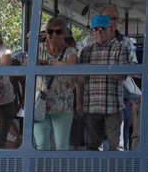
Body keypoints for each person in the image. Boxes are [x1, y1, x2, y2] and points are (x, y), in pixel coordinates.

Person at [76, 14, 130, 151]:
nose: (99, 32)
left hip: (113, 105)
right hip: (91, 106)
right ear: (92, 32)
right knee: (93, 147)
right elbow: (80, 80)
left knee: (116, 147)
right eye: (95, 29)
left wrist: (103, 69)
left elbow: (123, 75)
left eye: (102, 28)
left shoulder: (120, 48)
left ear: (110, 29)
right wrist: (79, 101)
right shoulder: (86, 51)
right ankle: (95, 167)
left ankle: (115, 166)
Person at [33, 16, 78, 151]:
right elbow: (26, 65)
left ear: (63, 34)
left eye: (58, 32)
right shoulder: (38, 49)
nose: (54, 35)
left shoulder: (70, 51)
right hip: (40, 104)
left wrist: (47, 63)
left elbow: (70, 65)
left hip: (63, 106)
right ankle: (42, 166)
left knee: (61, 146)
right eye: (50, 31)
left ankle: (60, 166)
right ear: (46, 34)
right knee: (41, 145)